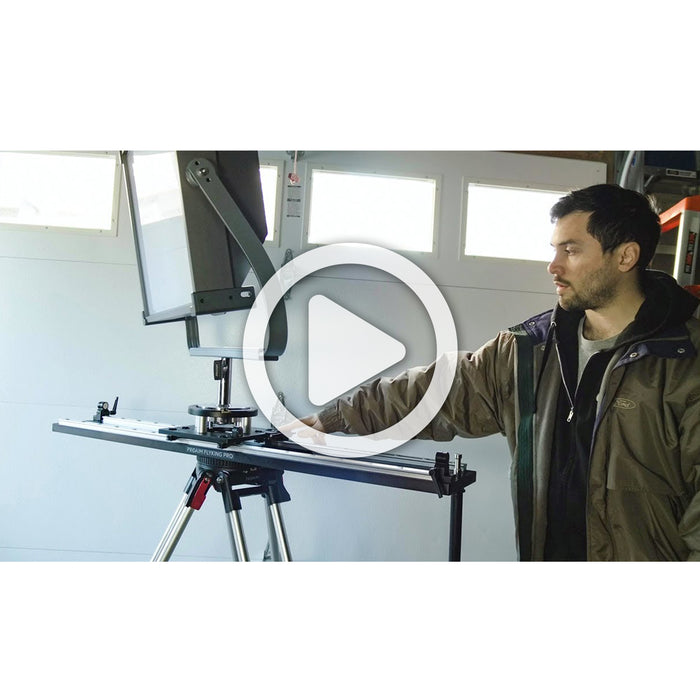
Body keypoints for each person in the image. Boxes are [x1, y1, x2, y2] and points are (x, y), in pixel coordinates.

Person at [290, 183, 700, 561]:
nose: (553, 266)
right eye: (554, 249)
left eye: (571, 251)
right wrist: (332, 419)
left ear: (625, 256)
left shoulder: (686, 360)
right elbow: (437, 391)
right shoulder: (529, 350)